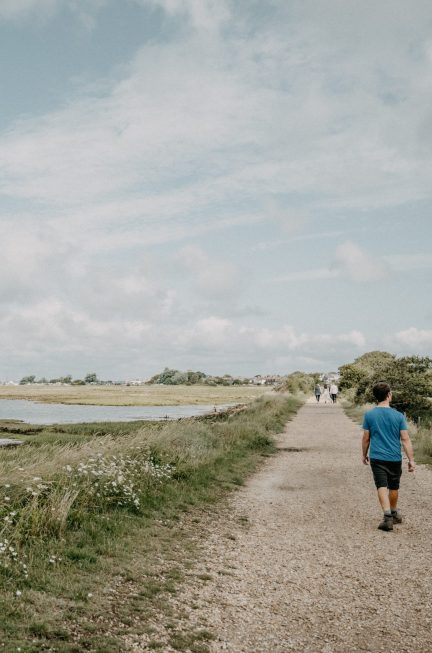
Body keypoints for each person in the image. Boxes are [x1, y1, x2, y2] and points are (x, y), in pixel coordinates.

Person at [362, 381, 415, 531]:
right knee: (393, 486)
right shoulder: (398, 416)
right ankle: (393, 512)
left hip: (377, 457)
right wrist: (411, 460)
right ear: (389, 395)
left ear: (375, 397)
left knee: (381, 485)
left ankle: (388, 517)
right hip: (394, 458)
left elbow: (366, 438)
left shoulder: (369, 415)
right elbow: (405, 439)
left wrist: (364, 454)